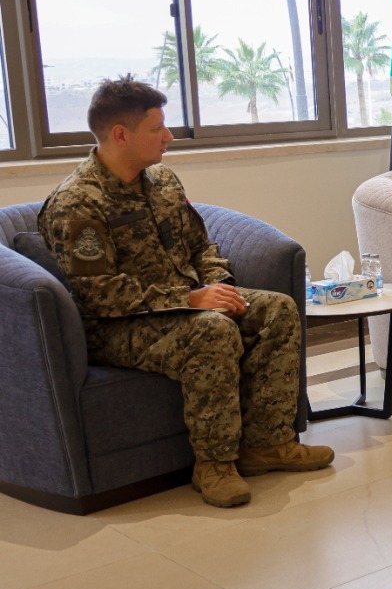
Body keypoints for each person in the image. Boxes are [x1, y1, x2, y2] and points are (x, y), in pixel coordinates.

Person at [38, 76, 333, 508]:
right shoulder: (77, 203)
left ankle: (267, 444)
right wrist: (191, 300)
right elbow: (99, 294)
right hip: (117, 327)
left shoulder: (163, 181)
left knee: (277, 310)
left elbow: (201, 246)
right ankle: (214, 466)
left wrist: (220, 289)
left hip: (187, 305)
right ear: (120, 134)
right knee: (211, 331)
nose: (169, 136)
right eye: (157, 127)